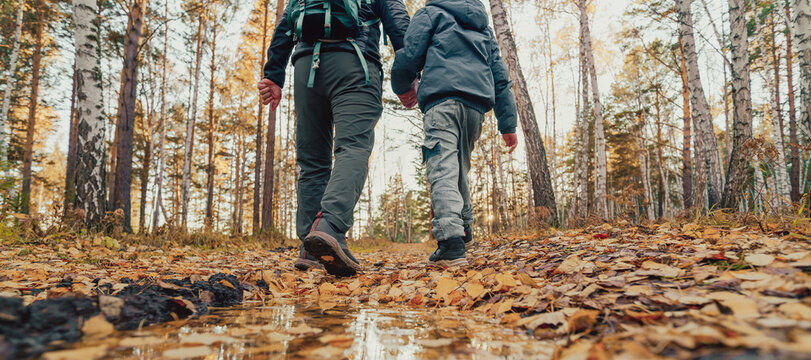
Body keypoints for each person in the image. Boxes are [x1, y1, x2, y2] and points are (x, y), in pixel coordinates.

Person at [258, 0, 411, 277]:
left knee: (312, 160)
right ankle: (329, 228)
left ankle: (309, 248)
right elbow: (399, 24)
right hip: (355, 62)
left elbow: (286, 23)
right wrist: (407, 77)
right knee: (353, 147)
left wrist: (273, 75)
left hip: (306, 66)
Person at [390, 0, 519, 267]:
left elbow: (409, 52)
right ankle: (464, 228)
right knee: (459, 166)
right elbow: (500, 77)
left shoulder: (430, 13)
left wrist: (402, 86)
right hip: (475, 108)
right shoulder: (483, 27)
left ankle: (450, 243)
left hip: (442, 101)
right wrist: (508, 124)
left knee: (443, 168)